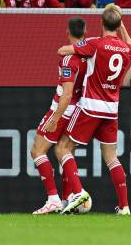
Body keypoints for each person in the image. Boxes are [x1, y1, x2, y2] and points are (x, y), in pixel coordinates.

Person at [55, 6, 131, 215]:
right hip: (111, 109)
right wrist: (121, 21)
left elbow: (64, 50)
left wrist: (79, 52)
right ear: (118, 25)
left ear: (101, 23)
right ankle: (125, 206)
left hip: (90, 105)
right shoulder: (127, 50)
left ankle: (79, 192)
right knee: (111, 157)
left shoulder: (95, 44)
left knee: (62, 148)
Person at [31, 17, 88, 214]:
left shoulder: (68, 59)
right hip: (80, 110)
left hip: (63, 108)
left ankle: (53, 198)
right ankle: (68, 199)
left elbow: (67, 93)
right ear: (85, 33)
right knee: (64, 151)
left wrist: (55, 117)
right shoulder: (89, 55)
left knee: (37, 151)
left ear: (67, 32)